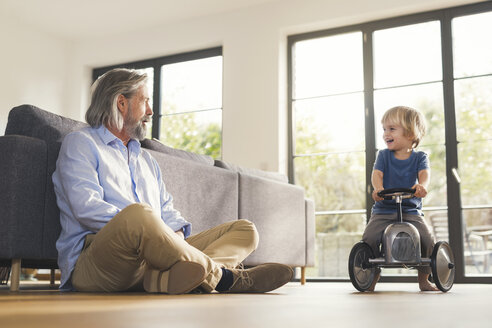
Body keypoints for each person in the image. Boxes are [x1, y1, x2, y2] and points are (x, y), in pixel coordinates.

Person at [52, 68, 293, 294]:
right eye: (145, 100)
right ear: (121, 103)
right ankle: (224, 279)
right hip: (97, 263)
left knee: (244, 230)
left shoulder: (146, 160)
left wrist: (171, 238)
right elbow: (87, 208)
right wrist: (150, 231)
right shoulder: (81, 143)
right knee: (139, 214)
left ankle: (167, 279)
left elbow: (167, 210)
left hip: (151, 262)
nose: (150, 111)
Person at [362, 105, 438, 291]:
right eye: (384, 129)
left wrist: (421, 187)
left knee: (427, 239)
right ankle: (372, 274)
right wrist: (378, 189)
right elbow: (377, 174)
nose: (385, 133)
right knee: (369, 237)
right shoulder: (384, 155)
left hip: (410, 210)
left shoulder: (420, 157)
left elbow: (424, 174)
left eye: (392, 129)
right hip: (384, 210)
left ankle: (424, 279)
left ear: (411, 133)